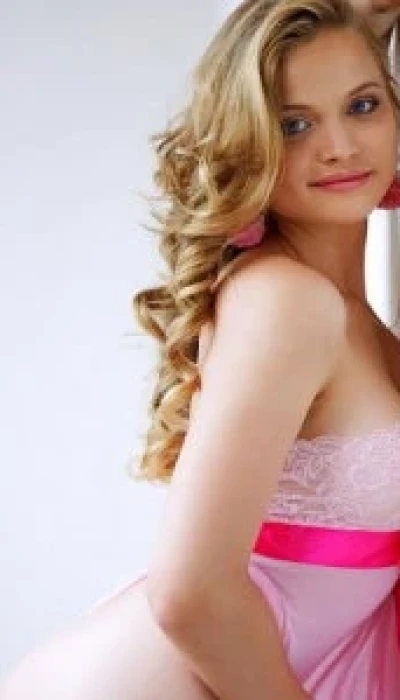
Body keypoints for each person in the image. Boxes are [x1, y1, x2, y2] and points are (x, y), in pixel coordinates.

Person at [2, 0, 400, 698]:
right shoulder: (288, 302)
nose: (339, 146)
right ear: (249, 142)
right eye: (294, 124)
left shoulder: (338, 308)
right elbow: (192, 595)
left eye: (362, 106)